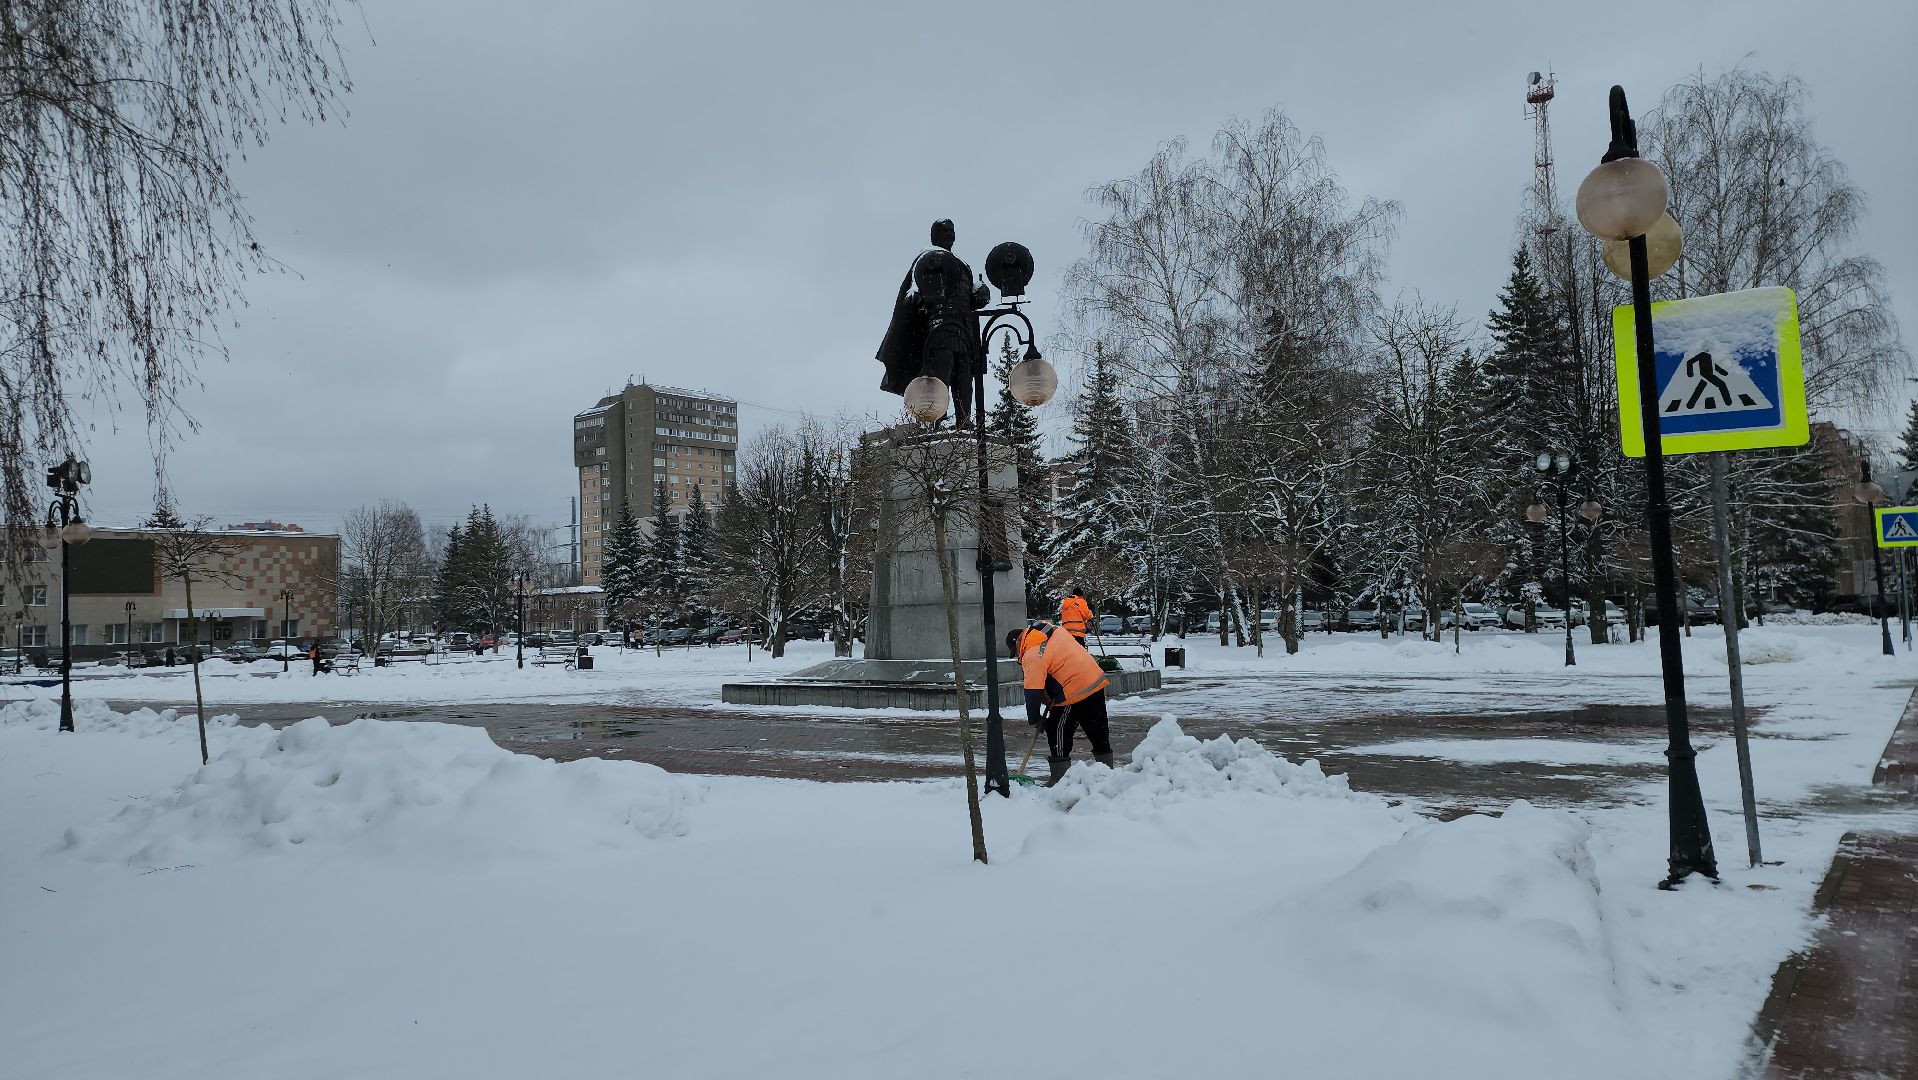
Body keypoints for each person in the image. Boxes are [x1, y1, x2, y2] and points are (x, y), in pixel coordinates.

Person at [875, 219, 990, 426]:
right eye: (944, 231)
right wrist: (920, 296)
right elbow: (910, 295)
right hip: (938, 329)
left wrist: (981, 293)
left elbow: (970, 298)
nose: (949, 235)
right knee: (941, 371)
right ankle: (939, 419)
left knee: (965, 375)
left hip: (964, 330)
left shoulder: (963, 266)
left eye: (951, 231)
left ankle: (964, 421)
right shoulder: (927, 260)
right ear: (933, 235)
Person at [1009, 621, 1115, 786]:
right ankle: (1107, 772)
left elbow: (1032, 692)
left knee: (1057, 728)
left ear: (1018, 641)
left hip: (1074, 689)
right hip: (1094, 679)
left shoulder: (1032, 653)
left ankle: (1060, 778)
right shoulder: (1052, 630)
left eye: (1014, 652)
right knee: (1096, 726)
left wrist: (1035, 720)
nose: (1017, 656)